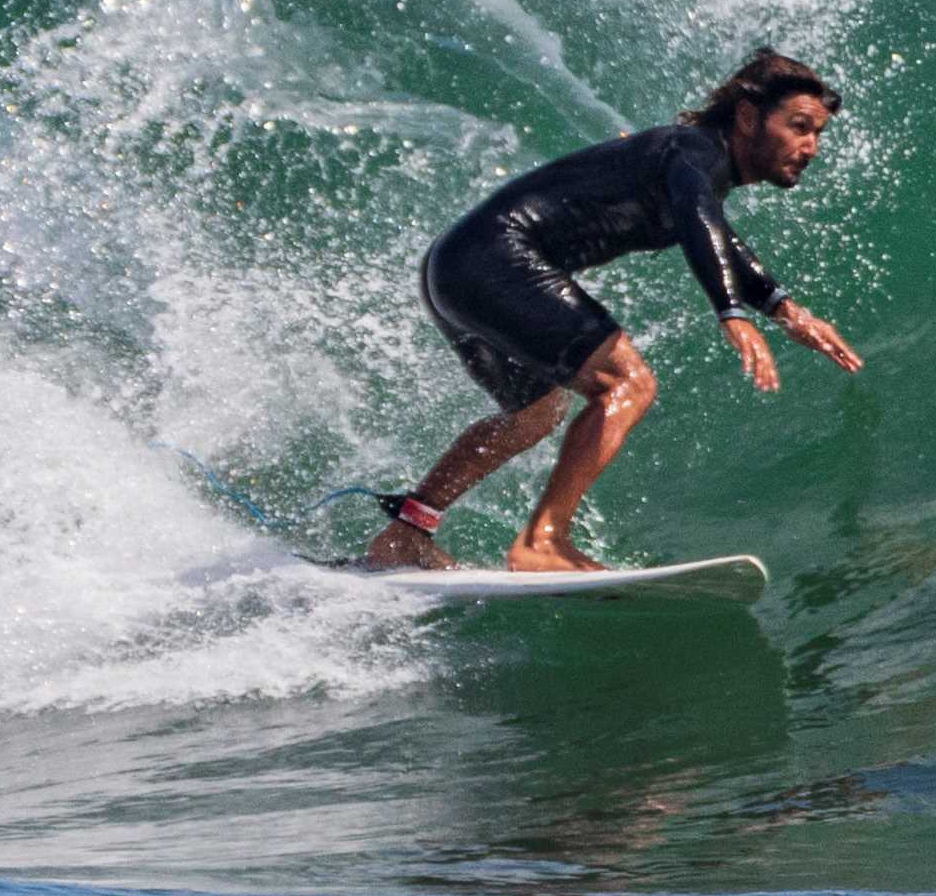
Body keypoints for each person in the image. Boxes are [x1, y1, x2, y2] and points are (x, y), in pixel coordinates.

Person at [358, 51, 862, 570]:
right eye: (799, 127)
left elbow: (717, 236)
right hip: (497, 257)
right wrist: (730, 311)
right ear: (749, 117)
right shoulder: (693, 150)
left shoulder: (691, 165)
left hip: (457, 266)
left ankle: (407, 534)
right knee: (628, 384)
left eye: (818, 133)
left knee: (537, 413)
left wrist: (783, 308)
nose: (810, 147)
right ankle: (543, 542)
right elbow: (697, 217)